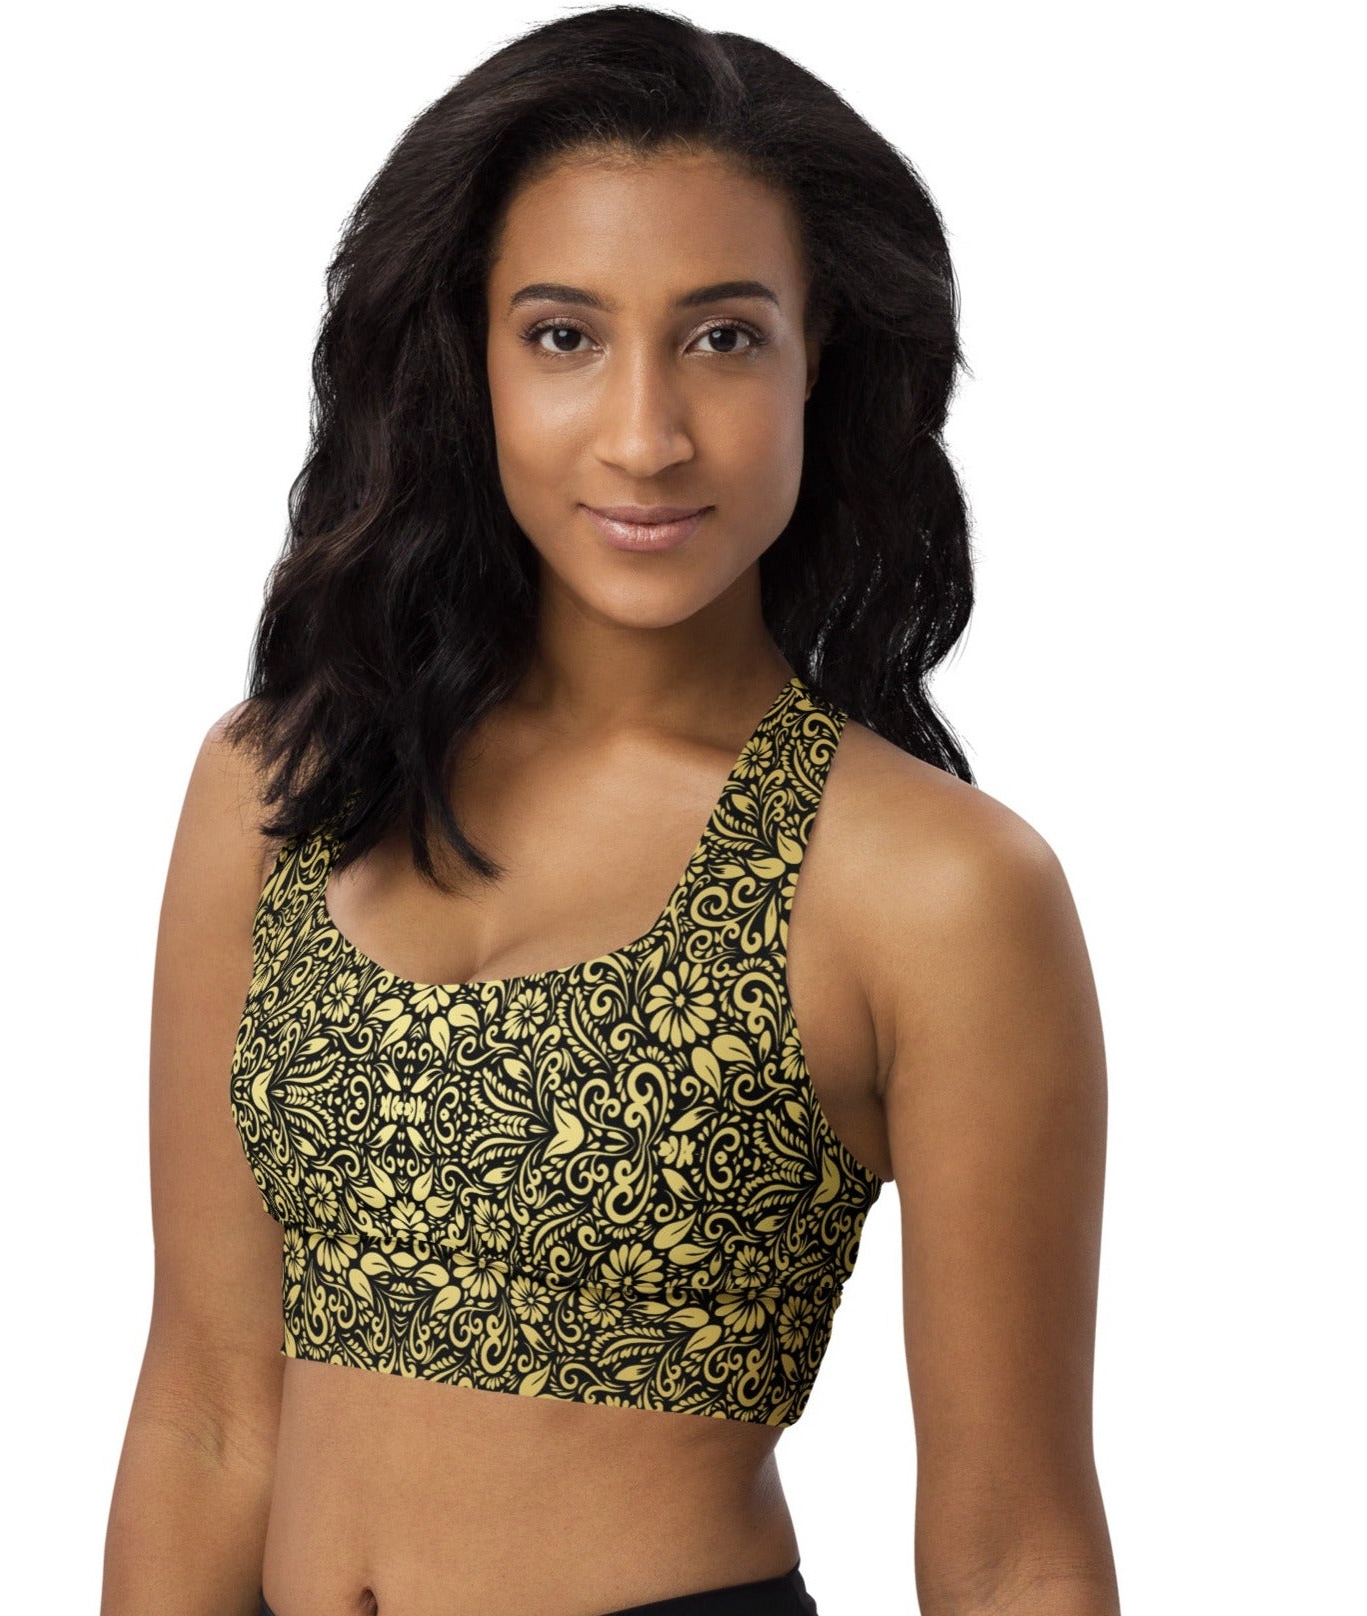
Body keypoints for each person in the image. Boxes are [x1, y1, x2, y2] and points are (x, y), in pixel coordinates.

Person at [103, 9, 1120, 1614]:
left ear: (823, 357)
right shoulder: (285, 786)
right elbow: (208, 1415)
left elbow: (1011, 1554)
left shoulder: (930, 887)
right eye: (565, 336)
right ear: (467, 359)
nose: (645, 438)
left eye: (723, 340)